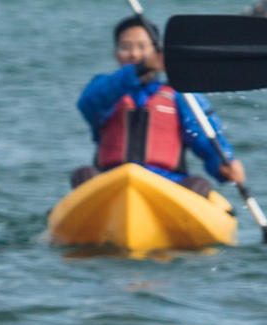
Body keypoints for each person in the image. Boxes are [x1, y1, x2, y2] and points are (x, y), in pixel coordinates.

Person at [72, 15, 246, 197]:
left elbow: (205, 136)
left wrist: (224, 164)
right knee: (83, 175)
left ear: (157, 53)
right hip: (113, 184)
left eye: (142, 46)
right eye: (126, 47)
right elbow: (89, 104)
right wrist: (140, 68)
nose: (134, 54)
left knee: (199, 184)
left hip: (166, 187)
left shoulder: (181, 95)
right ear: (116, 55)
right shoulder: (106, 90)